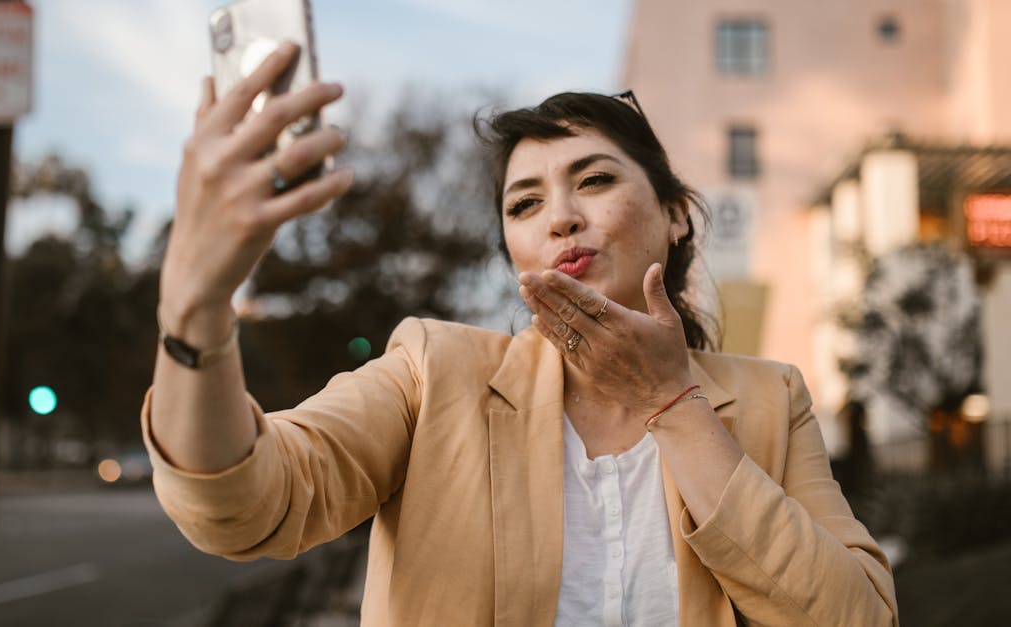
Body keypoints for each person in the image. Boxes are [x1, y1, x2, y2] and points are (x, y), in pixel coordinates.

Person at [143, 42, 898, 626]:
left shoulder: (774, 398)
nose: (560, 216)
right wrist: (195, 311)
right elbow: (240, 504)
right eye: (525, 203)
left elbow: (857, 615)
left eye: (595, 180)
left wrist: (674, 401)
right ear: (511, 250)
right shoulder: (432, 372)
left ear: (674, 214)